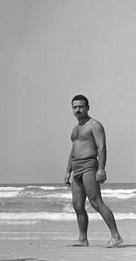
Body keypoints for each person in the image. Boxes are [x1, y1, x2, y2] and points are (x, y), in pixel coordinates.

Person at [64, 94, 123, 248]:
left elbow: (102, 147)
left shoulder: (95, 125)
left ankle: (116, 236)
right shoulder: (75, 129)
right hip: (76, 168)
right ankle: (83, 239)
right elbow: (73, 150)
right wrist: (67, 170)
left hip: (89, 165)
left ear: (87, 107)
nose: (78, 109)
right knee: (77, 205)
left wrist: (102, 168)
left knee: (96, 202)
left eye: (81, 106)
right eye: (75, 107)